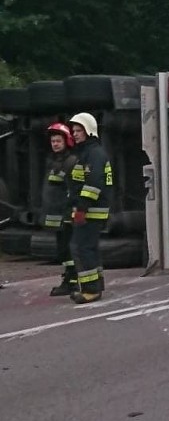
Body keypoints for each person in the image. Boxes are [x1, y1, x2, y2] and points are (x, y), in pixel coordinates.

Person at [67, 112, 113, 304]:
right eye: (74, 130)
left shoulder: (93, 154)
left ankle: (90, 290)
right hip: (90, 209)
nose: (75, 134)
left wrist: (82, 209)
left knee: (80, 248)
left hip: (91, 210)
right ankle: (96, 285)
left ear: (89, 130)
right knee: (89, 248)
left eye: (79, 130)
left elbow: (93, 184)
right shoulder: (87, 152)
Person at [42, 122, 79, 296]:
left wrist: (69, 214)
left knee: (68, 249)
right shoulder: (53, 162)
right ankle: (69, 279)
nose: (55, 144)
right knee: (62, 250)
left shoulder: (70, 162)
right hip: (57, 215)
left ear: (66, 141)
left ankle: (72, 282)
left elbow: (72, 191)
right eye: (53, 141)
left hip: (66, 216)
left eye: (58, 141)